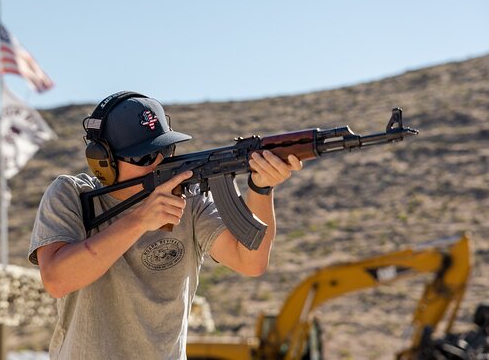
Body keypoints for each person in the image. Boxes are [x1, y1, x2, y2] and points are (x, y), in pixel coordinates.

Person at [28, 91, 303, 359]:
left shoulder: (191, 199)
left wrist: (261, 189)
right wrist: (139, 221)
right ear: (103, 161)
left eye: (165, 150)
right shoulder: (70, 195)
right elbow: (57, 279)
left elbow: (250, 261)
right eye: (143, 157)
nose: (158, 163)